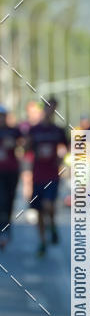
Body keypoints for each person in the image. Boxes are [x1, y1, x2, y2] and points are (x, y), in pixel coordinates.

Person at [27, 97, 68, 256]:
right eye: (48, 107)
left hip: (52, 175)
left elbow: (67, 146)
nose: (50, 110)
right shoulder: (34, 130)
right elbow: (26, 148)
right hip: (38, 174)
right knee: (38, 210)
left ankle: (52, 225)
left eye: (54, 108)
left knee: (48, 205)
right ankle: (42, 241)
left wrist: (61, 158)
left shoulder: (58, 130)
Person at [0, 105, 23, 249]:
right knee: (1, 200)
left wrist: (15, 144)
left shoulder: (13, 131)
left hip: (11, 171)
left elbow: (24, 144)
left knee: (9, 201)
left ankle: (6, 228)